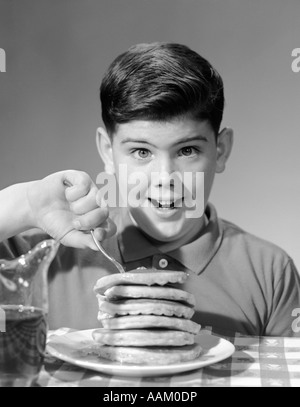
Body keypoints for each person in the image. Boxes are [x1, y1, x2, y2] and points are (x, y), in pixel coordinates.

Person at [0, 42, 299, 336]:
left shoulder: (270, 273)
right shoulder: (41, 257)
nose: (165, 177)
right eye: (142, 152)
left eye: (187, 151)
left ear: (220, 151)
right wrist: (24, 204)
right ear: (108, 151)